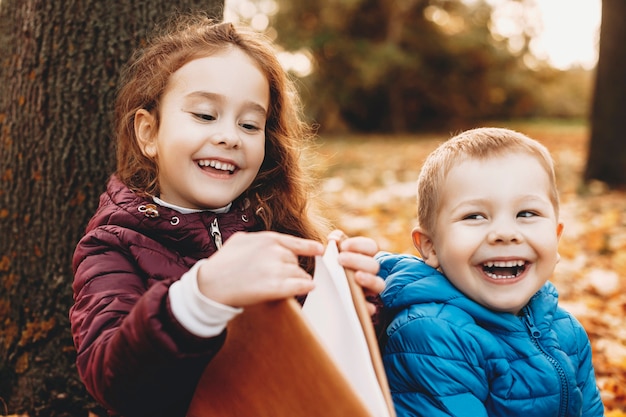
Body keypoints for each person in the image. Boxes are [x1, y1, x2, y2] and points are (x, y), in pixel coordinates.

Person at [69, 15, 383, 417]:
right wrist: (199, 297)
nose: (230, 136)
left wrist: (357, 303)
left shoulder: (279, 231)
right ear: (148, 133)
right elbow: (114, 381)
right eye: (204, 115)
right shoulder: (113, 245)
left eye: (250, 124)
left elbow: (324, 368)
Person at [377, 127, 604, 416]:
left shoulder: (567, 330)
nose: (505, 233)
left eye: (527, 214)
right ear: (431, 247)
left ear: (556, 237)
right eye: (474, 216)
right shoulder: (432, 334)